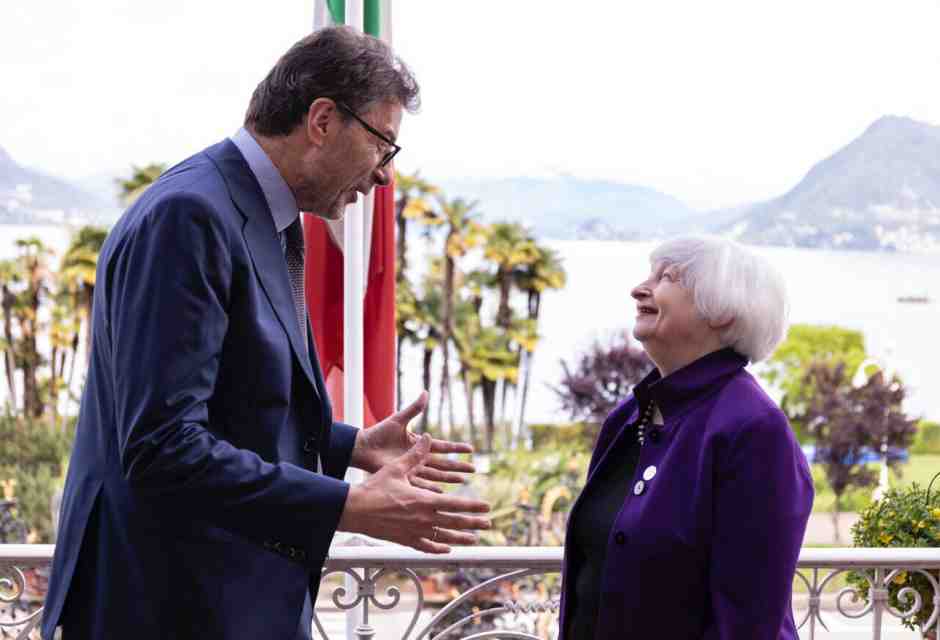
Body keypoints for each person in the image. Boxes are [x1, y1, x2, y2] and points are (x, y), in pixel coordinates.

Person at [42, 26, 490, 640]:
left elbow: (236, 405)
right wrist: (348, 506)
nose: (384, 177)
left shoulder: (258, 213)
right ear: (324, 120)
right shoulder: (190, 215)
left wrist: (347, 445)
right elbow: (162, 447)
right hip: (168, 605)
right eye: (384, 145)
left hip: (225, 598)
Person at [558, 235, 813, 639]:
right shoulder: (626, 418)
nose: (639, 288)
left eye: (667, 278)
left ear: (723, 313)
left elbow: (746, 623)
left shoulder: (755, 429)